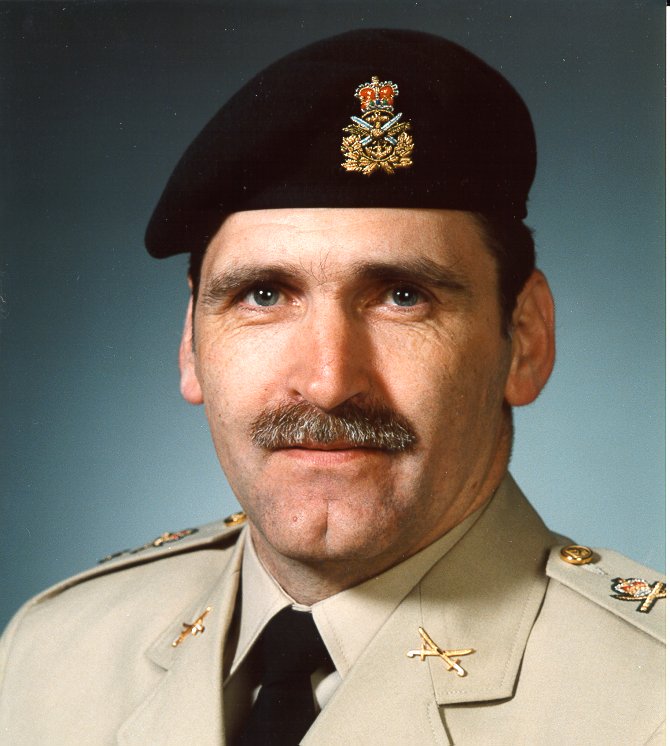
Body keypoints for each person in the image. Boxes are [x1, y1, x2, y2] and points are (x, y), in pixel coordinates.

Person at [0, 28, 664, 745]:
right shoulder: (50, 654)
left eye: (403, 297)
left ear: (525, 340)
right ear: (190, 344)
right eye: (262, 295)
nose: (327, 383)